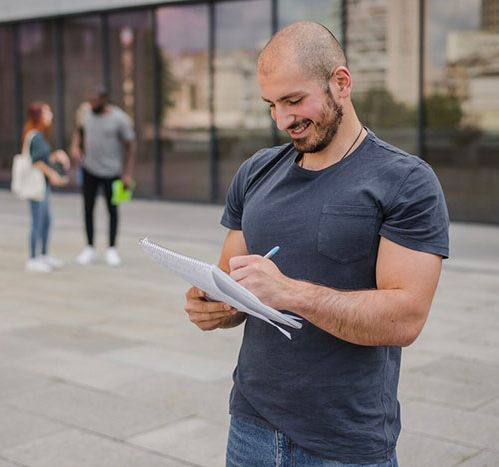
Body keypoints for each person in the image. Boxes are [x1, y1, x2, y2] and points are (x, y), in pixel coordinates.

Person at [184, 21, 449, 466]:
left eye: (293, 100)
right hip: (250, 427)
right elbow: (235, 285)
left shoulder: (406, 181)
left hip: (346, 442)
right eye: (271, 105)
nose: (283, 119)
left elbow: (405, 319)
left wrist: (289, 292)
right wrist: (214, 305)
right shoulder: (256, 173)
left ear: (340, 83)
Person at [70, 86, 136, 267]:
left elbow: (130, 146)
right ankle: (89, 248)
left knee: (112, 211)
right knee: (88, 209)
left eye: (94, 100)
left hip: (112, 172)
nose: (91, 104)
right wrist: (75, 147)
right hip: (89, 170)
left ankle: (112, 249)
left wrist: (127, 173)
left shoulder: (119, 119)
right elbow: (78, 131)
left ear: (104, 100)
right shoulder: (86, 114)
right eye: (89, 100)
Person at [23, 101, 70, 273]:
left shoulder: (39, 135)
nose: (51, 115)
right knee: (38, 221)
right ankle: (33, 258)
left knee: (46, 220)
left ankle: (43, 255)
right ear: (39, 116)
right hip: (36, 186)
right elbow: (37, 162)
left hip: (42, 186)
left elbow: (42, 158)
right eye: (47, 112)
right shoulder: (35, 135)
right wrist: (53, 175)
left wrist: (56, 156)